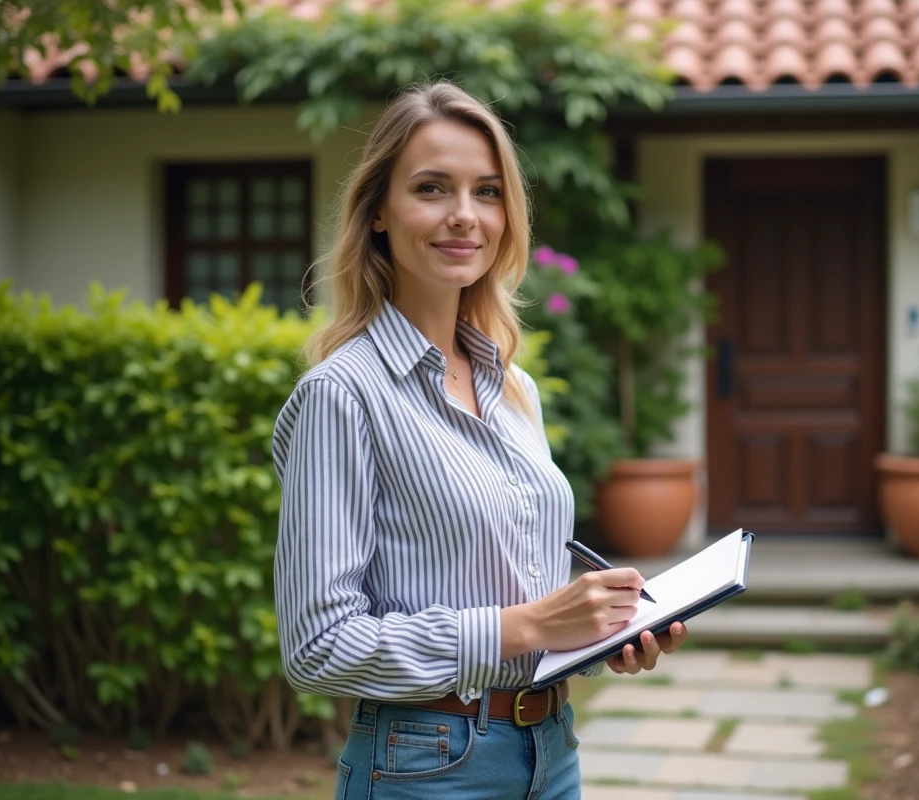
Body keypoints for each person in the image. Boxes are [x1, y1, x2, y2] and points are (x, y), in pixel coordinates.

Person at [271, 80, 688, 800]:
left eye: (487, 192)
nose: (464, 216)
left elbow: (521, 595)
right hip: (427, 766)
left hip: (551, 753)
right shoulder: (343, 396)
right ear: (377, 213)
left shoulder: (511, 385)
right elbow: (317, 648)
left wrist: (597, 628)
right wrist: (523, 626)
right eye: (432, 188)